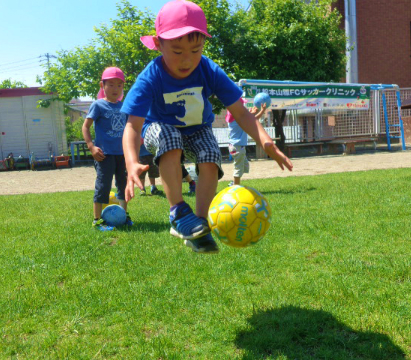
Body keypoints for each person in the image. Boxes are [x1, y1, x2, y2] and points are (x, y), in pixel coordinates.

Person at [121, 0, 293, 253]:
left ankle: (199, 226)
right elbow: (132, 126)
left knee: (211, 154)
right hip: (158, 127)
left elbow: (241, 113)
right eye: (177, 51)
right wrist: (131, 162)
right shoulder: (151, 76)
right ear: (158, 44)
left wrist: (266, 142)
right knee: (170, 138)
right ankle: (178, 212)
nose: (187, 60)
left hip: (198, 129)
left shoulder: (209, 70)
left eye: (196, 49)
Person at [82, 66, 133, 230]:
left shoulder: (125, 107)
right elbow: (85, 127)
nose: (115, 89)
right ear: (102, 85)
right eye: (110, 84)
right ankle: (97, 220)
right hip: (104, 155)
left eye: (119, 85)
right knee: (103, 186)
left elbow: (129, 129)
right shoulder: (98, 105)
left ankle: (124, 216)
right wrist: (91, 147)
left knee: (123, 185)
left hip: (122, 155)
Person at [226, 101, 267, 186]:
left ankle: (234, 182)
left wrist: (251, 113)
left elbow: (251, 119)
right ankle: (235, 188)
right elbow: (253, 120)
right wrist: (259, 112)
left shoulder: (235, 118)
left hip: (236, 147)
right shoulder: (237, 119)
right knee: (238, 169)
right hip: (237, 148)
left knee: (244, 166)